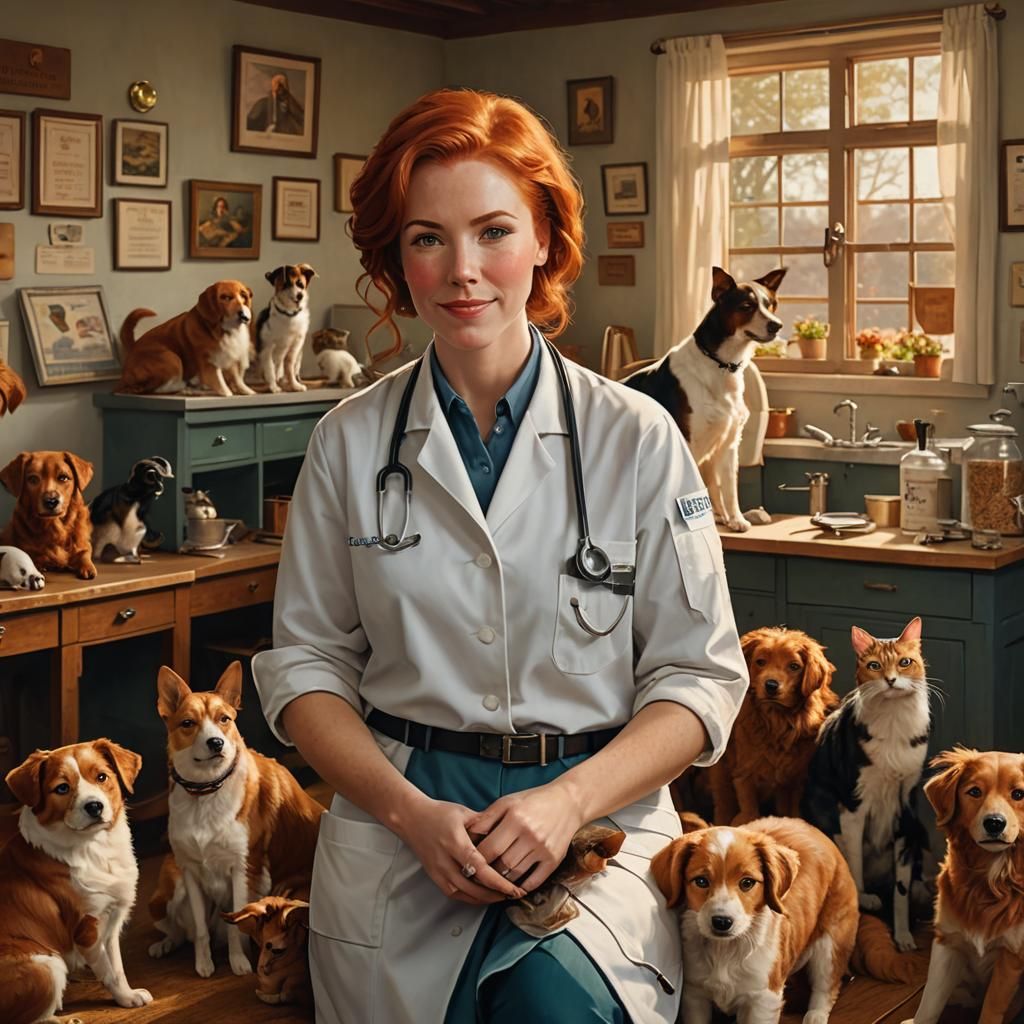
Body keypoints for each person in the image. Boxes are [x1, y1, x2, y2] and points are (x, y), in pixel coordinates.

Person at [251, 88, 746, 1024]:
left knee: (558, 1009)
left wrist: (568, 801)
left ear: (545, 239)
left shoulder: (637, 437)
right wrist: (407, 812)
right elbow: (306, 669)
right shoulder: (348, 442)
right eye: (427, 238)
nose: (463, 271)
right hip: (403, 821)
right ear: (396, 258)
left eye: (493, 231)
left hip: (593, 820)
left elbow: (699, 678)